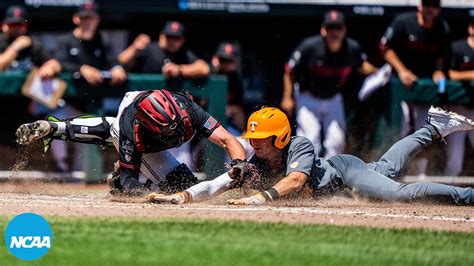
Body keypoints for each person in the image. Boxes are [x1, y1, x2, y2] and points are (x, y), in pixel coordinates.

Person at [148, 106, 474, 206]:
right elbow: (217, 185)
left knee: (402, 194)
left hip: (346, 174)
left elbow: (296, 180)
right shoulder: (256, 163)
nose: (255, 144)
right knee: (387, 167)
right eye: (253, 139)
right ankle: (433, 128)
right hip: (344, 186)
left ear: (281, 136)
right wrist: (180, 197)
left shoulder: (299, 144)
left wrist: (255, 200)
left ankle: (467, 196)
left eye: (262, 139)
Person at [16, 89, 246, 196]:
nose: (170, 136)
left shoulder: (189, 110)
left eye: (173, 129)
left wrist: (239, 164)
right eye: (163, 132)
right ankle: (113, 180)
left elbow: (228, 140)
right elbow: (129, 182)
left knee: (113, 130)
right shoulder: (131, 131)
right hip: (128, 120)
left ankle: (55, 127)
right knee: (182, 185)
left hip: (141, 99)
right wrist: (138, 190)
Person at [281, 10, 376, 158]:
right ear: (323, 30)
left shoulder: (352, 48)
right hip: (308, 98)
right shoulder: (310, 46)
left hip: (333, 98)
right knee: (310, 140)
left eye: (338, 28)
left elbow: (362, 65)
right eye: (330, 28)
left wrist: (377, 71)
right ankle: (305, 176)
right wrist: (287, 96)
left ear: (344, 30)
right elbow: (289, 70)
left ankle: (329, 178)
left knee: (336, 142)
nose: (334, 32)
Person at [380, 0, 450, 175]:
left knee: (425, 131)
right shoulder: (403, 21)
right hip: (399, 80)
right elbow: (384, 47)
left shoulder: (442, 27)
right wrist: (402, 70)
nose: (430, 9)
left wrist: (438, 71)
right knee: (401, 129)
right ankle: (390, 173)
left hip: (424, 85)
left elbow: (442, 55)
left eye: (433, 6)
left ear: (438, 9)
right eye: (427, 5)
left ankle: (420, 176)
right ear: (420, 6)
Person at [55, 2, 127, 87]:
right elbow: (59, 63)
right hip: (72, 93)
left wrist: (117, 68)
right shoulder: (65, 40)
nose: (89, 21)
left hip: (97, 91)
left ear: (98, 19)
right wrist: (81, 68)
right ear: (76, 19)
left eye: (92, 18)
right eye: (85, 17)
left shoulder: (102, 40)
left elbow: (111, 60)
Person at [118, 21, 210, 79]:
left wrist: (179, 70)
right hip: (146, 98)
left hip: (172, 102)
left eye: (176, 38)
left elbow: (204, 68)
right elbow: (121, 62)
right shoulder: (150, 49)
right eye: (169, 37)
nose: (172, 41)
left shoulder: (184, 53)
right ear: (162, 36)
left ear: (182, 40)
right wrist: (134, 48)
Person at [443, 17, 474, 176]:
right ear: (470, 28)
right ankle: (446, 195)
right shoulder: (458, 47)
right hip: (458, 108)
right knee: (455, 157)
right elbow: (449, 74)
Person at [0, 5, 60, 77]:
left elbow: (55, 64)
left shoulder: (33, 42)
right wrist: (16, 46)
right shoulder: (1, 40)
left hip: (27, 86)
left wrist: (50, 68)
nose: (16, 28)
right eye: (12, 24)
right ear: (4, 25)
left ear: (26, 26)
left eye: (20, 24)